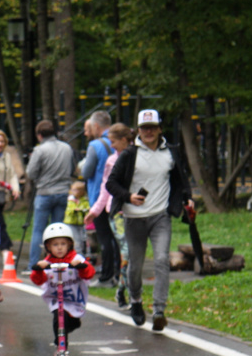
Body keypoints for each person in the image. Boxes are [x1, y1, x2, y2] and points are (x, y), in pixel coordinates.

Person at [104, 109, 193, 331]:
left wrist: (188, 200)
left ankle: (159, 310)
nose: (149, 132)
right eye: (144, 128)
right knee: (135, 266)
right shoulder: (129, 154)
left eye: (153, 127)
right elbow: (111, 184)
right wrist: (129, 197)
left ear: (160, 128)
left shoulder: (170, 152)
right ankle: (135, 301)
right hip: (134, 219)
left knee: (162, 260)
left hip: (160, 216)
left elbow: (180, 179)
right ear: (138, 131)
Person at [84, 122, 133, 306]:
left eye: (113, 141)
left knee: (133, 251)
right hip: (117, 211)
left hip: (137, 210)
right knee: (126, 250)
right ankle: (123, 289)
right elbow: (106, 189)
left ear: (124, 140)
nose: (111, 145)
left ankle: (129, 287)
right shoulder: (112, 160)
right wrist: (95, 211)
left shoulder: (138, 157)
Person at [30, 222, 96, 354]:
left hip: (74, 297)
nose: (59, 248)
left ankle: (72, 325)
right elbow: (38, 280)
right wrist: (39, 270)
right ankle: (60, 346)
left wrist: (81, 266)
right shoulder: (47, 263)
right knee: (59, 316)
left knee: (71, 322)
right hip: (56, 298)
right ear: (48, 246)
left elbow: (89, 273)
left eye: (63, 244)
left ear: (70, 244)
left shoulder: (76, 259)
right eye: (55, 245)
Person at [26, 120, 76, 267]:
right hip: (62, 192)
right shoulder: (67, 148)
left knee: (39, 230)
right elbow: (72, 168)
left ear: (39, 135)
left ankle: (34, 264)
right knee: (59, 230)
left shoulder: (40, 150)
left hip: (45, 192)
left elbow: (31, 173)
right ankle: (58, 262)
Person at [64, 180, 90, 255]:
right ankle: (78, 254)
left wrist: (86, 211)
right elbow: (69, 209)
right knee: (76, 240)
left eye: (77, 190)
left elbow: (87, 208)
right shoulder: (70, 200)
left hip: (81, 223)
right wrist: (74, 210)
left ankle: (85, 254)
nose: (75, 191)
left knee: (83, 239)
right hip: (71, 223)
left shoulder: (84, 200)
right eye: (73, 190)